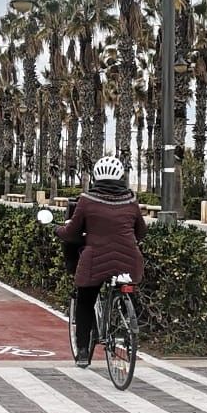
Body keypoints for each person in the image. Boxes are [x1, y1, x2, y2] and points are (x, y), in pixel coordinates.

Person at [55, 155, 146, 366]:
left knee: (85, 300)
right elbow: (141, 232)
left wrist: (57, 229)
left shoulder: (87, 200)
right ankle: (128, 324)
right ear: (120, 177)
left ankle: (84, 352)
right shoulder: (131, 201)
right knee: (128, 288)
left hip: (95, 261)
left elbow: (72, 232)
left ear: (96, 176)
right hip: (128, 261)